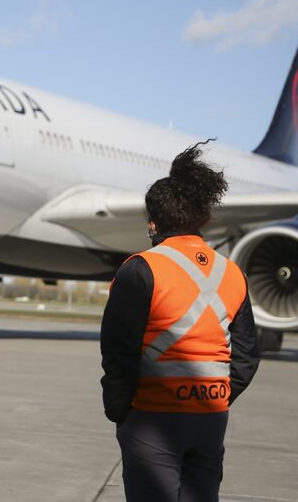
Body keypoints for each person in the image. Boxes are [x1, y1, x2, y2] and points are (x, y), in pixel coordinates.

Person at [100, 140, 260, 502]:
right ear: (201, 218)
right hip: (210, 418)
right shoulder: (232, 272)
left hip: (153, 418)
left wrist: (120, 409)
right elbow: (248, 354)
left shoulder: (141, 269)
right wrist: (215, 397)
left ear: (153, 222)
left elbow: (118, 350)